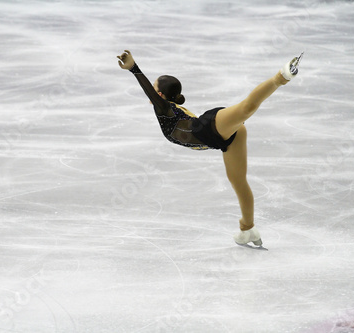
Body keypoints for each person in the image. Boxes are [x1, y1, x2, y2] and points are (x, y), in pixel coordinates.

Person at [117, 49, 302, 247]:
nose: (152, 93)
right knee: (238, 182)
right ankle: (247, 228)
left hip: (209, 127)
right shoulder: (169, 110)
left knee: (246, 108)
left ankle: (281, 77)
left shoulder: (164, 109)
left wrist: (134, 69)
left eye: (155, 90)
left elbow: (149, 91)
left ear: (160, 95)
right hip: (219, 139)